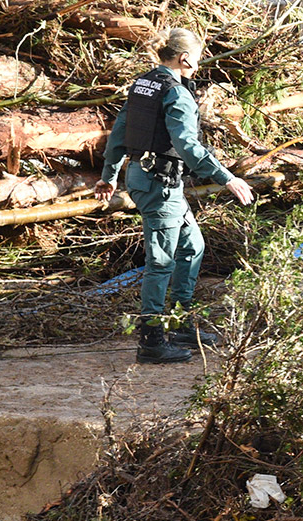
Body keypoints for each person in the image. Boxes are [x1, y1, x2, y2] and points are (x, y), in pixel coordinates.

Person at [96, 27, 254, 364]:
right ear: (184, 59)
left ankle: (181, 324)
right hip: (159, 184)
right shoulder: (177, 93)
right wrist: (227, 178)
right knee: (161, 261)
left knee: (193, 246)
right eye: (196, 61)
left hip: (145, 178)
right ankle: (151, 340)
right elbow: (187, 145)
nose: (197, 67)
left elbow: (118, 134)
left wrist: (109, 176)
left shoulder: (144, 84)